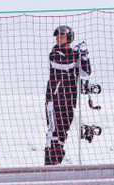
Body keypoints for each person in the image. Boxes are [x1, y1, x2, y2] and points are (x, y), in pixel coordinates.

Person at [44, 25, 91, 166]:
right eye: (57, 36)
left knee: (63, 131)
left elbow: (86, 73)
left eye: (61, 36)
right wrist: (77, 55)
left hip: (69, 99)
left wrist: (84, 56)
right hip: (54, 99)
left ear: (69, 37)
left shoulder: (73, 54)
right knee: (54, 130)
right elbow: (66, 64)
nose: (58, 39)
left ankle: (57, 159)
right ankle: (49, 161)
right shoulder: (55, 53)